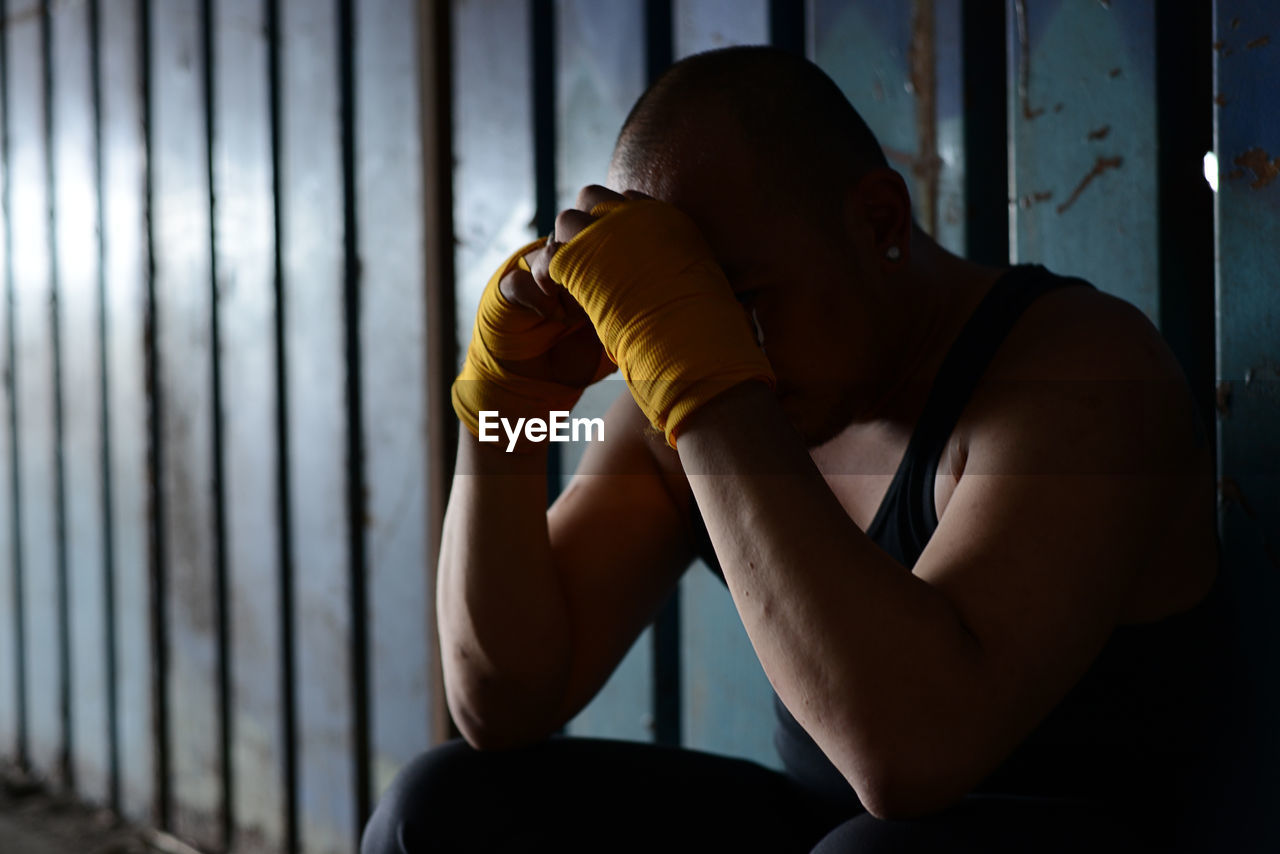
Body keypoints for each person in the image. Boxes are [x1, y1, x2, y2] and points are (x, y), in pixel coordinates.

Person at [362, 46, 1230, 853]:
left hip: (1071, 834)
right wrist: (503, 411)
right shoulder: (710, 393)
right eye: (685, 314)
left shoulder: (1078, 374)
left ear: (879, 219)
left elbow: (908, 758)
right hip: (835, 829)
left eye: (743, 300)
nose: (718, 349)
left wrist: (703, 378)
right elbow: (501, 700)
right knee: (441, 808)